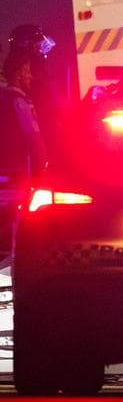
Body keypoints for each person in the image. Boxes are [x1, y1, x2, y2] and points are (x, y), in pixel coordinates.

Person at [1, 53, 49, 258]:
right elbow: (33, 137)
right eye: (28, 71)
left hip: (4, 178)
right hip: (16, 177)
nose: (31, 76)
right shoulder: (19, 101)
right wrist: (45, 167)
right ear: (20, 73)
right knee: (16, 231)